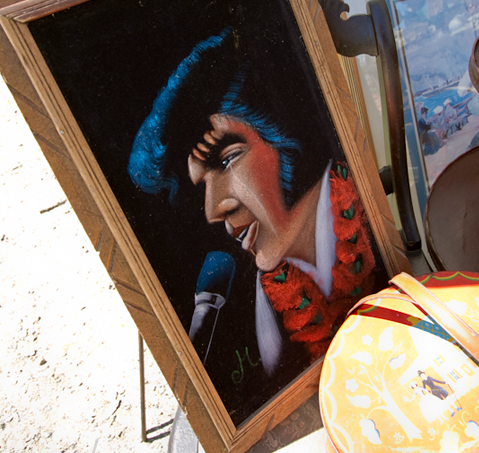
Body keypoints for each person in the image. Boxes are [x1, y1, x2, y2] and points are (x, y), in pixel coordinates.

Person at [127, 26, 379, 380]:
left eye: (227, 159)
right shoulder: (245, 310)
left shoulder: (375, 220)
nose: (214, 210)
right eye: (202, 186)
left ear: (283, 127)